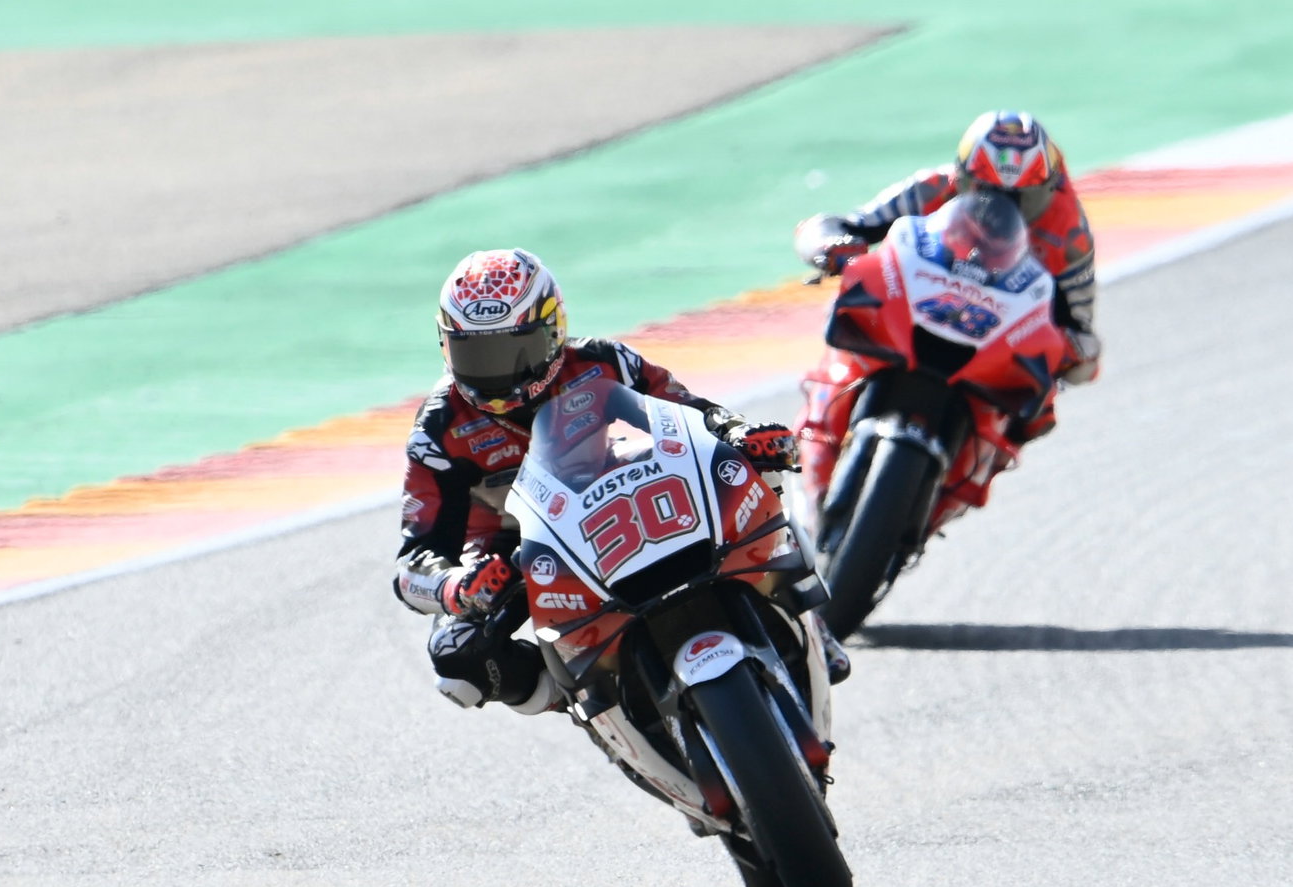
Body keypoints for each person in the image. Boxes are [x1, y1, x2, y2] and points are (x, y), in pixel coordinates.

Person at [393, 248, 844, 714]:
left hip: (611, 494)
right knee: (457, 655)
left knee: (747, 468)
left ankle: (802, 613)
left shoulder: (603, 361)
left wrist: (740, 433)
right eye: (475, 353)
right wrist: (458, 586)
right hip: (516, 550)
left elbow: (691, 411)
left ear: (552, 331)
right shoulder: (438, 428)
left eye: (511, 350)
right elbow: (412, 565)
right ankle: (581, 700)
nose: (493, 374)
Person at [792, 110, 1102, 507]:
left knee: (1036, 412)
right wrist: (832, 246)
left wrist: (1073, 350)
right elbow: (848, 224)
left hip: (993, 339)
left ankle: (951, 492)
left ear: (1047, 188)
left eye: (1021, 199)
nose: (997, 210)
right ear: (964, 177)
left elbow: (1080, 325)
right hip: (917, 309)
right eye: (984, 191)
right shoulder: (933, 187)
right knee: (852, 311)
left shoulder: (1069, 234)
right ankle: (815, 453)